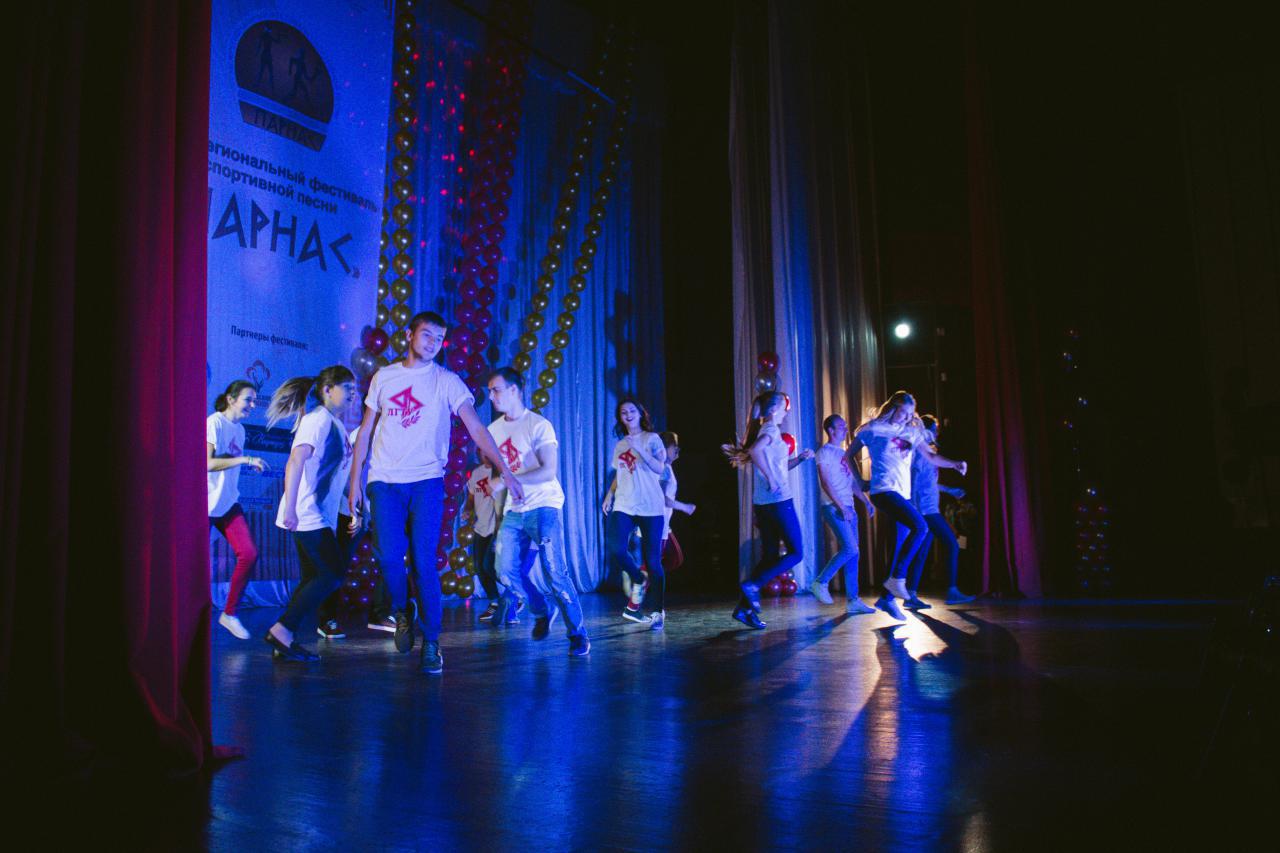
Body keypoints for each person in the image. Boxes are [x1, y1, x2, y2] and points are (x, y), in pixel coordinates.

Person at [349, 312, 523, 675]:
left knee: (424, 563)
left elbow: (476, 428)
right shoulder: (385, 377)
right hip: (384, 481)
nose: (433, 343)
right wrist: (354, 484)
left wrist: (505, 470)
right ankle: (402, 611)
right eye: (427, 335)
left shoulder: (447, 381)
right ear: (409, 335)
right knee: (389, 559)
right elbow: (365, 432)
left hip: (427, 481)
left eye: (439, 338)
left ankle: (431, 642)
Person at [485, 368, 590, 656]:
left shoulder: (538, 425)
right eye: (490, 391)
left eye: (496, 389)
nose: (491, 396)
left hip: (544, 504)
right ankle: (541, 609)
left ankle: (578, 633)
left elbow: (548, 470)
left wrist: (507, 480)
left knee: (555, 571)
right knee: (504, 570)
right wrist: (501, 503)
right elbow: (501, 477)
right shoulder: (493, 431)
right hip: (515, 509)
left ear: (514, 390)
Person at [262, 366, 358, 662]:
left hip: (320, 514)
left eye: (355, 390)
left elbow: (337, 474)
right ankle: (282, 630)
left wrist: (353, 504)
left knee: (313, 577)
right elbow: (296, 460)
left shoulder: (335, 425)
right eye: (348, 388)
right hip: (307, 511)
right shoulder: (317, 419)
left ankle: (285, 638)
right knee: (332, 574)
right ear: (328, 390)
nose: (354, 395)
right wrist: (291, 507)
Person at [854, 391, 966, 620]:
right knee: (922, 527)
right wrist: (861, 481)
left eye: (910, 414)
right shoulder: (874, 429)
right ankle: (898, 579)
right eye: (903, 412)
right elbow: (848, 456)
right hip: (883, 490)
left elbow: (932, 458)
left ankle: (886, 598)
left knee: (905, 542)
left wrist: (955, 464)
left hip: (903, 495)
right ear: (893, 408)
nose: (906, 417)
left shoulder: (911, 433)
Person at [722, 391, 814, 630]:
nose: (786, 412)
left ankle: (744, 609)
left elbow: (777, 465)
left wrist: (800, 459)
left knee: (770, 556)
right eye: (784, 407)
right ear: (774, 410)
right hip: (779, 500)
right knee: (797, 553)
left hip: (763, 502)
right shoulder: (771, 430)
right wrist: (772, 478)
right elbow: (755, 452)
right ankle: (752, 586)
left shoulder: (766, 430)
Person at [208, 380, 268, 640]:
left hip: (228, 503)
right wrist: (245, 459)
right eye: (248, 400)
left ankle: (229, 613)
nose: (252, 405)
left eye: (254, 400)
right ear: (231, 399)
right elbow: (207, 464)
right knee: (191, 563)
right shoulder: (214, 423)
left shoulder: (240, 430)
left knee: (249, 553)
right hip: (204, 504)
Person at [603, 398, 669, 628]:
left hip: (650, 505)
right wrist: (609, 494)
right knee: (616, 548)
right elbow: (620, 473)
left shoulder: (652, 439)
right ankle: (638, 577)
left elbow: (660, 468)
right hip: (625, 503)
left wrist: (639, 448)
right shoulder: (620, 444)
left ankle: (658, 612)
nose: (628, 414)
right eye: (623, 412)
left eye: (632, 410)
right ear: (620, 418)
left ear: (640, 414)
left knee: (653, 562)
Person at [902, 415, 975, 607]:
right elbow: (914, 482)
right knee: (952, 544)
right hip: (926, 510)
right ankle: (952, 591)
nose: (936, 432)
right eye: (934, 428)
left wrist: (950, 490)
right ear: (925, 431)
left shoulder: (928, 452)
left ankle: (911, 596)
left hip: (929, 507)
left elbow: (929, 483)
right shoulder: (920, 454)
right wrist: (916, 509)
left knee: (922, 552)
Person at [813, 414, 876, 614]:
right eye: (841, 426)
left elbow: (852, 483)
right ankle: (821, 582)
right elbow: (825, 482)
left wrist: (866, 502)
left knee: (853, 554)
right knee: (850, 548)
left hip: (849, 507)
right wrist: (841, 506)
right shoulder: (823, 453)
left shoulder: (843, 453)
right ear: (831, 430)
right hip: (833, 506)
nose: (845, 429)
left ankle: (853, 600)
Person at [464, 459, 507, 623]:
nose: (484, 454)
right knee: (480, 568)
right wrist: (468, 509)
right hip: (480, 527)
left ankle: (515, 594)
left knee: (490, 566)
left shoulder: (501, 472)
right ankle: (494, 602)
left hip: (497, 528)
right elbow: (471, 498)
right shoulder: (476, 473)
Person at [658, 431, 695, 574]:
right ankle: (639, 579)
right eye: (674, 446)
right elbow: (662, 499)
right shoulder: (664, 469)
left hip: (663, 524)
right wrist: (685, 507)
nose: (677, 449)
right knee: (658, 562)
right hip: (658, 523)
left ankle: (645, 578)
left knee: (674, 558)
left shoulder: (667, 468)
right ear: (664, 448)